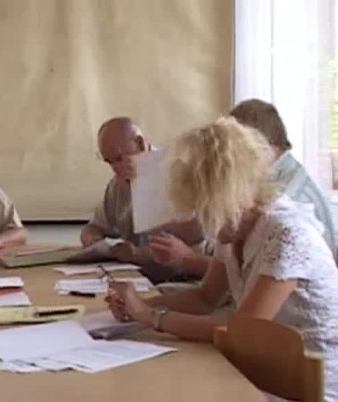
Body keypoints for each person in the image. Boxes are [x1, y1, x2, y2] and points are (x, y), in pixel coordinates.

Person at [108, 118, 338, 400]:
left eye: (204, 209)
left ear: (231, 195)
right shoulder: (234, 226)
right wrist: (138, 305)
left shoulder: (288, 234)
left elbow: (243, 331)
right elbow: (205, 298)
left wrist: (149, 315)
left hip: (312, 389)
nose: (201, 221)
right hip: (266, 374)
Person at [150, 99, 336, 277]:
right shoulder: (269, 183)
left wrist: (188, 260)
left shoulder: (289, 201)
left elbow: (248, 276)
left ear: (261, 145)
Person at [80, 117, 204, 282]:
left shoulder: (178, 171)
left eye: (119, 158)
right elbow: (94, 227)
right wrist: (93, 241)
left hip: (181, 278)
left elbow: (196, 239)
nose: (115, 168)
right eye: (109, 162)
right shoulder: (118, 183)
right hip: (137, 276)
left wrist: (138, 254)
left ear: (140, 144)